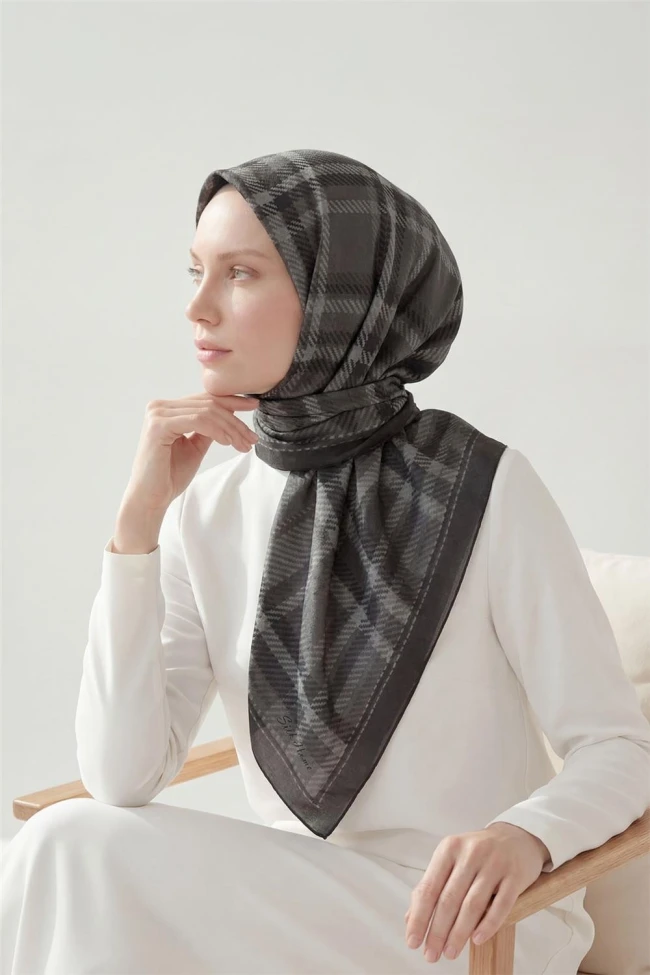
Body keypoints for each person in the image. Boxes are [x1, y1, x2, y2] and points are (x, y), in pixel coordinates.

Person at [2, 148, 649, 975]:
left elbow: (618, 747)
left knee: (67, 848)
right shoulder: (208, 510)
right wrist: (137, 527)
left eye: (240, 274)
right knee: (68, 844)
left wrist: (526, 834)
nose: (198, 307)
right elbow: (122, 776)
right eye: (196, 271)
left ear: (341, 298)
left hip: (479, 921)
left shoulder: (480, 487)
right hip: (301, 901)